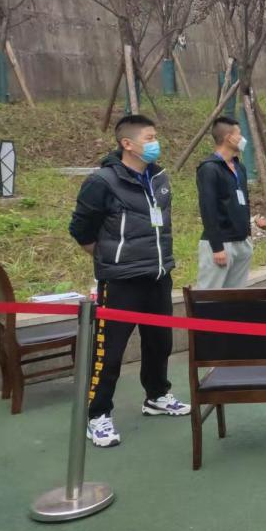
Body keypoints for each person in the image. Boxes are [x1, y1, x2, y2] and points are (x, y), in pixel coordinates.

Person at [69, 114, 190, 448]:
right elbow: (80, 229)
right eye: (149, 138)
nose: (155, 144)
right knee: (109, 353)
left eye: (155, 137)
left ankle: (156, 396)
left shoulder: (159, 177)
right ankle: (97, 415)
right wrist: (110, 258)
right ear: (127, 144)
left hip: (158, 275)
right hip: (121, 281)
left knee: (159, 343)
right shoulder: (103, 181)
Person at [196, 116, 254, 288]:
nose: (242, 139)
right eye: (239, 134)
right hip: (221, 244)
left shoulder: (239, 167)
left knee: (236, 296)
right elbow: (208, 208)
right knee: (209, 295)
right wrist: (217, 246)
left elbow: (245, 202)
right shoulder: (209, 168)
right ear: (229, 138)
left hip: (241, 241)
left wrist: (248, 234)